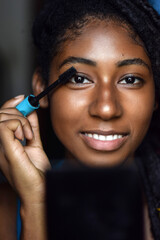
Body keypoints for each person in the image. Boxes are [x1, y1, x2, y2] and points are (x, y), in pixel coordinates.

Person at [0, 0, 160, 239]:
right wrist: (36, 205)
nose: (106, 108)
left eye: (129, 80)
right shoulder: (6, 206)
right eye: (79, 79)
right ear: (41, 87)